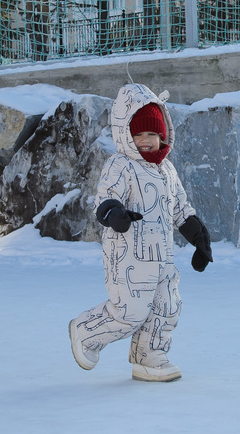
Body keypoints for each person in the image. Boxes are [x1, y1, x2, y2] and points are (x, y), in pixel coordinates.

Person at [68, 83, 212, 382]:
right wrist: (114, 214)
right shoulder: (120, 165)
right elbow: (105, 199)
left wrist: (199, 238)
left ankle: (149, 356)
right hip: (128, 257)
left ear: (163, 134)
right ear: (125, 134)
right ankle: (87, 331)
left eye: (152, 134)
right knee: (130, 311)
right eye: (138, 134)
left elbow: (180, 208)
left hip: (163, 257)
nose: (145, 141)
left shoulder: (167, 170)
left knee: (167, 306)